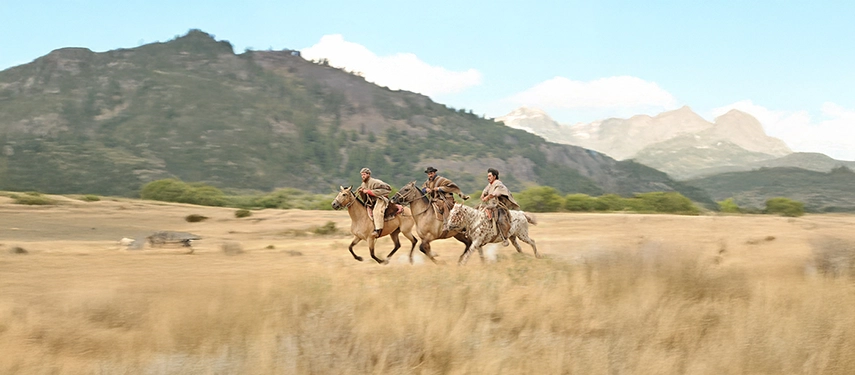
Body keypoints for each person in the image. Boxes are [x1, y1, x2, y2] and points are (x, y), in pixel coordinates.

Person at [480, 168, 519, 246]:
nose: (488, 177)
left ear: (494, 176)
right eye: (488, 176)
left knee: (501, 219)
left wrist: (487, 197)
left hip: (498, 206)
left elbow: (495, 193)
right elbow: (485, 190)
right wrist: (483, 194)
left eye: (490, 176)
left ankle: (504, 238)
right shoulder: (490, 184)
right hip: (490, 205)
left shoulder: (499, 184)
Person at [357, 167, 392, 238]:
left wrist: (369, 192)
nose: (363, 176)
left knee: (377, 212)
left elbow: (388, 188)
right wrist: (361, 192)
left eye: (364, 174)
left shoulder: (375, 182)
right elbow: (364, 197)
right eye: (362, 175)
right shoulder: (363, 184)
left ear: (368, 174)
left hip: (380, 199)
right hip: (371, 202)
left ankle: (378, 230)